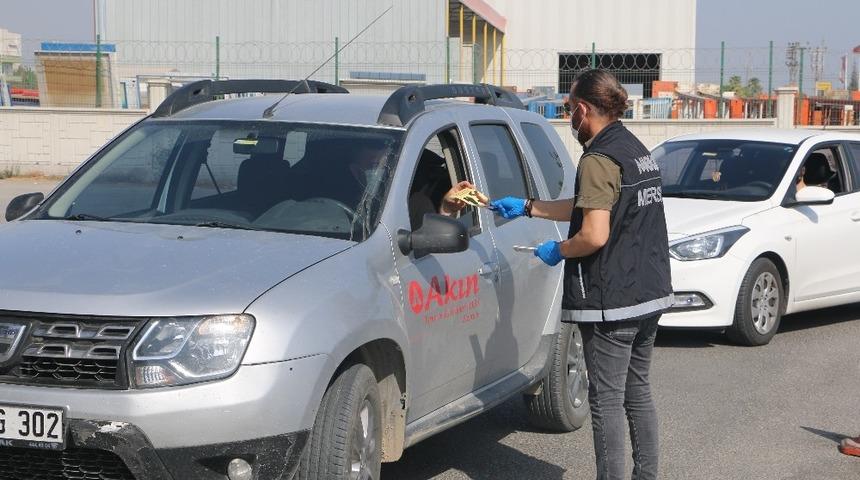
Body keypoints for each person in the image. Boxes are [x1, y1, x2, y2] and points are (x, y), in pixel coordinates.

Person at [491, 69, 672, 480]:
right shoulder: (633, 148)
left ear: (584, 110)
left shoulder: (597, 158)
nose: (569, 116)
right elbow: (592, 204)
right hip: (649, 293)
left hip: (614, 301)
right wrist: (528, 206)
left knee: (606, 400)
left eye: (570, 108)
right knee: (637, 393)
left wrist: (558, 249)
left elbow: (593, 232)